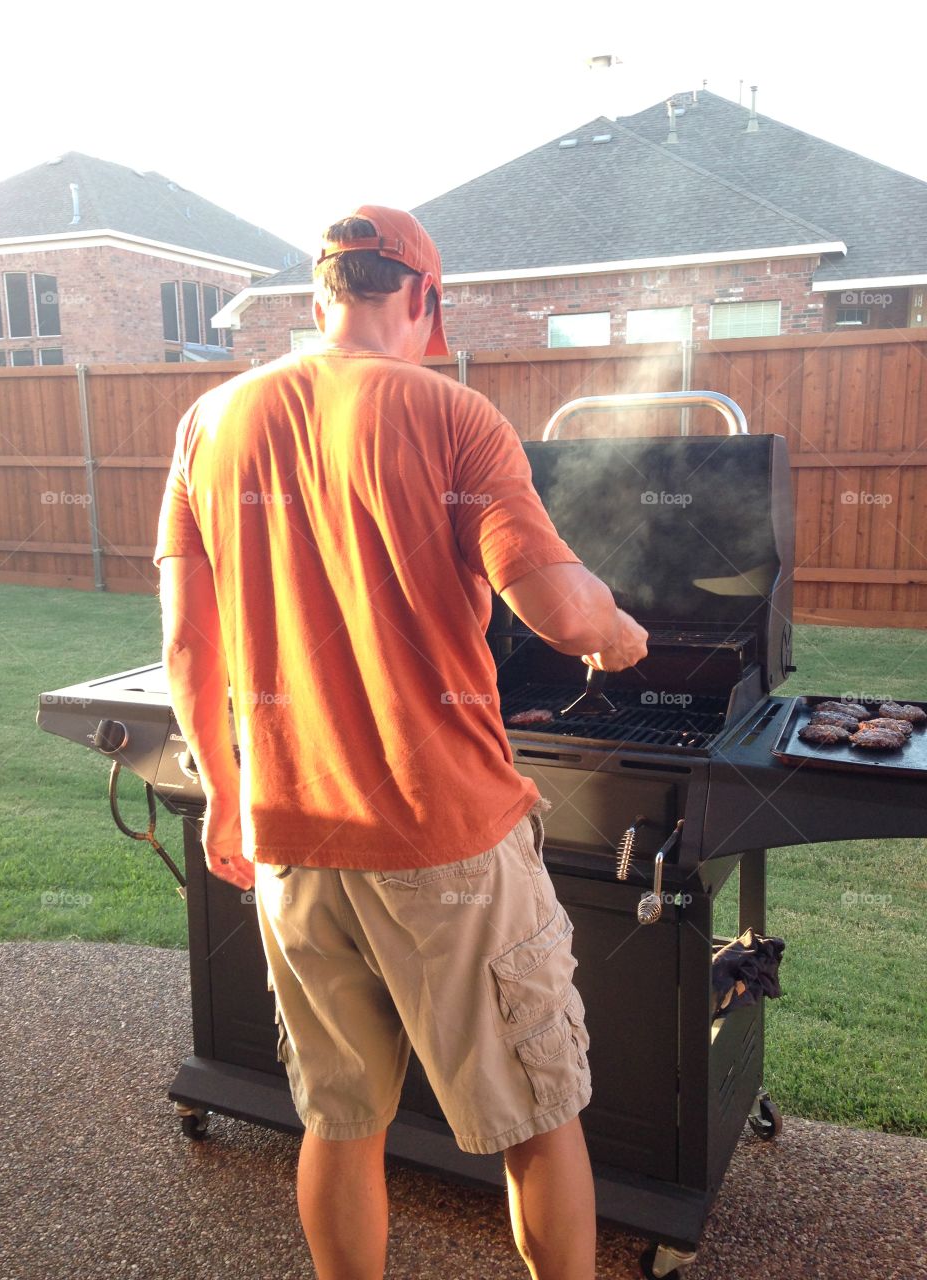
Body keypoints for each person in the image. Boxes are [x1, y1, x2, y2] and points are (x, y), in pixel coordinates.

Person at [154, 205, 648, 1280]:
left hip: (294, 841)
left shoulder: (212, 419)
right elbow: (561, 609)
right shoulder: (454, 415)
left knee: (339, 1117)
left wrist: (228, 796)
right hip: (446, 841)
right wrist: (617, 631)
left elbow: (188, 643)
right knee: (535, 1113)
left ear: (320, 291)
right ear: (424, 297)